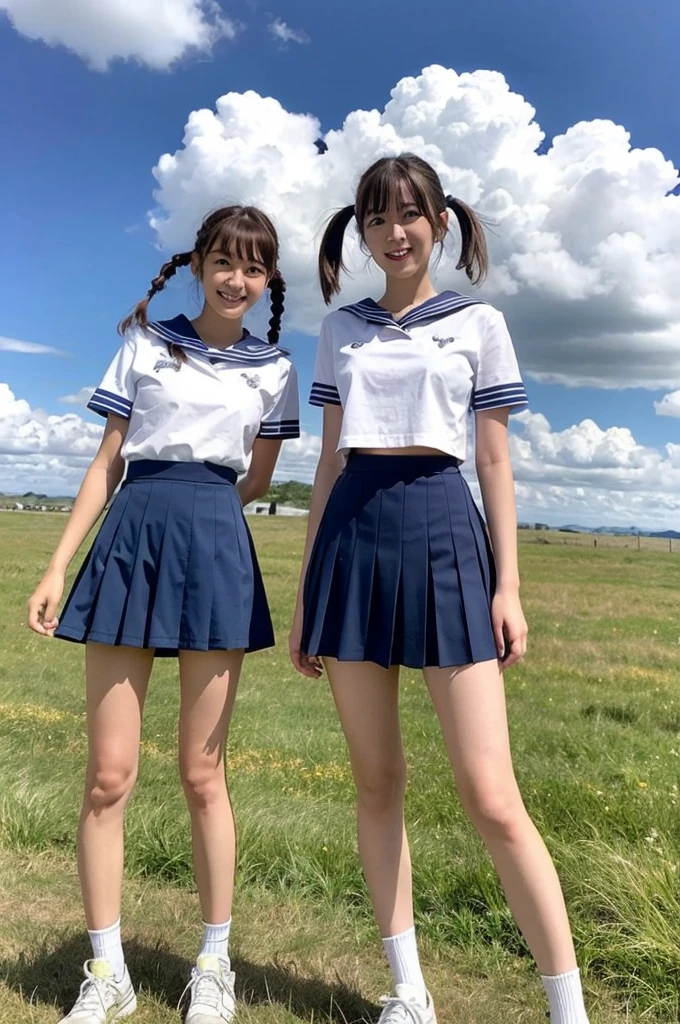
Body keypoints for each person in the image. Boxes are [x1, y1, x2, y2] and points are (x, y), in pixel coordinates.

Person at [289, 154, 590, 1024]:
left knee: (492, 796)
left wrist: (511, 584)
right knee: (377, 782)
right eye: (378, 217)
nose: (395, 232)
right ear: (361, 228)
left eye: (411, 214)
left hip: (446, 531)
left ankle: (567, 1009)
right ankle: (407, 992)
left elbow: (493, 457)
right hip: (353, 534)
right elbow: (327, 461)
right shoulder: (340, 329)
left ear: (441, 224)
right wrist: (310, 588)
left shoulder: (481, 323)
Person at [27, 205, 299, 1024]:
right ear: (197, 264)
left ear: (266, 281)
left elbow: (255, 478)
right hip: (131, 538)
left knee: (202, 774)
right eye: (222, 259)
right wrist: (57, 562)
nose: (235, 278)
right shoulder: (147, 341)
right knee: (109, 776)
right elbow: (107, 461)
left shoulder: (275, 368)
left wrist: (202, 514)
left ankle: (212, 966)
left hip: (214, 543)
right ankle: (105, 971)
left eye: (252, 267)